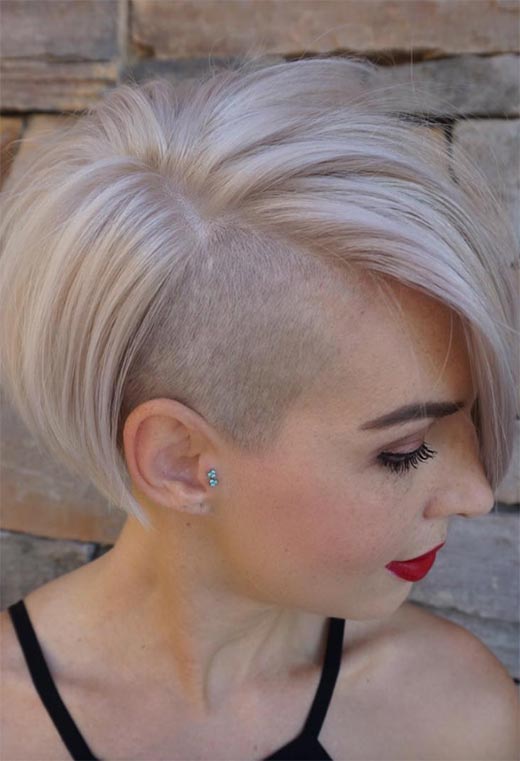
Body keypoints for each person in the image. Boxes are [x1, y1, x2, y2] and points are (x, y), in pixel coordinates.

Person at [0, 54, 518, 761]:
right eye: (404, 451)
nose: (477, 494)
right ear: (183, 463)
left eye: (474, 416)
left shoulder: (453, 714)